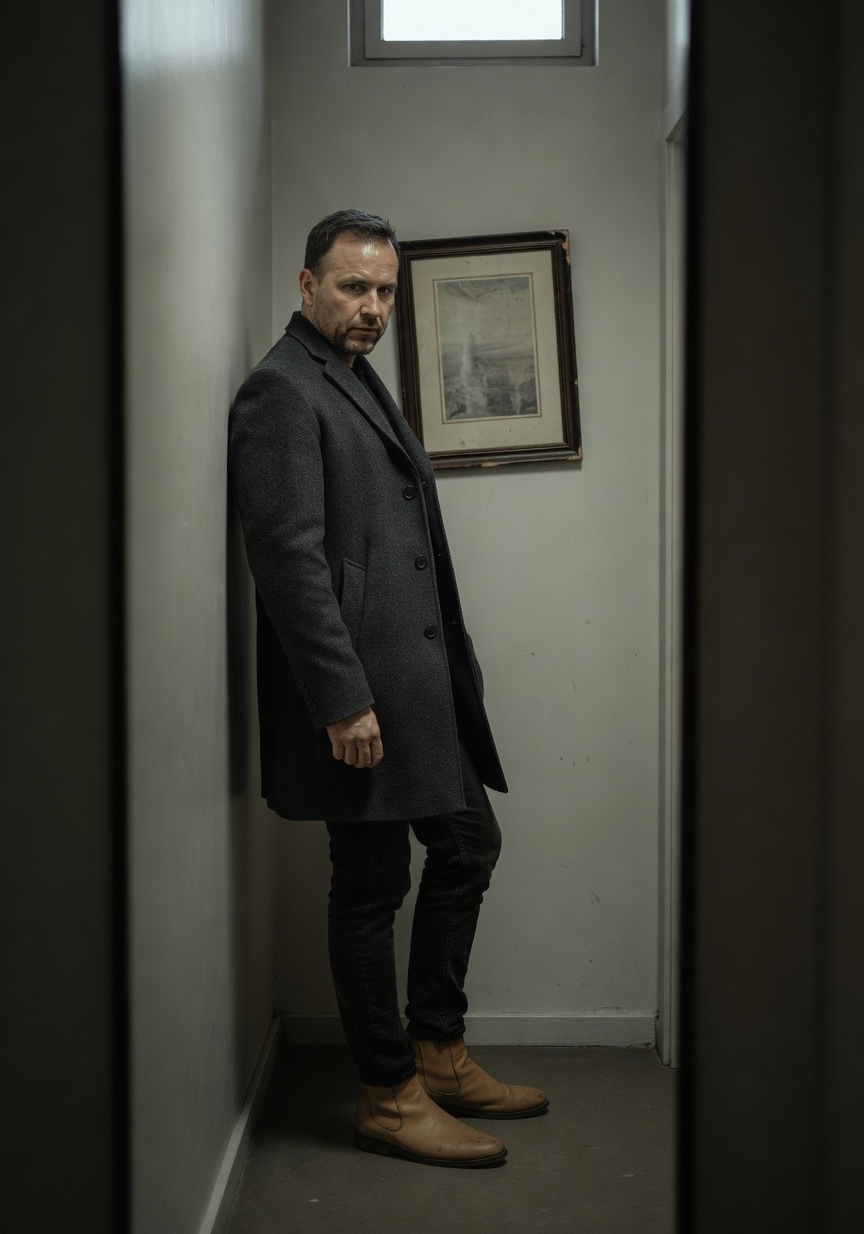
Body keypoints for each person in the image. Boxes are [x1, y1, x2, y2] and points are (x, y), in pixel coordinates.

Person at [229, 209, 548, 1168]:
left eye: (384, 291)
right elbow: (285, 561)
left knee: (467, 845)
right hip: (357, 700)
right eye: (352, 287)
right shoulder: (280, 391)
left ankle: (438, 1052)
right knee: (370, 887)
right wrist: (340, 698)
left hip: (414, 690)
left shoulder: (351, 376)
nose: (371, 307)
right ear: (306, 285)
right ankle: (387, 1092)